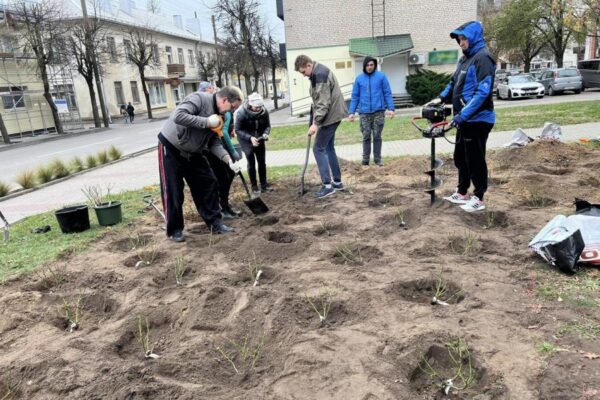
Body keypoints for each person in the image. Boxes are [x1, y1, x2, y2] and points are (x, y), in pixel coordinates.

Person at [157, 86, 243, 242]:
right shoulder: (199, 99)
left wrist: (228, 160)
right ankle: (174, 230)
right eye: (232, 108)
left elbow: (214, 143)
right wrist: (206, 121)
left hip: (194, 153)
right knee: (173, 190)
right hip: (171, 148)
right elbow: (179, 115)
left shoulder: (220, 115)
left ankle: (216, 223)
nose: (231, 112)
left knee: (208, 182)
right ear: (224, 100)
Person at [435, 20, 495, 213]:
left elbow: (482, 93)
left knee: (476, 159)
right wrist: (441, 98)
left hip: (478, 119)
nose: (461, 43)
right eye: (459, 39)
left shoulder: (483, 58)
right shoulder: (464, 59)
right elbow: (454, 83)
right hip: (463, 119)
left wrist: (462, 115)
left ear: (473, 38)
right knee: (460, 157)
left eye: (463, 39)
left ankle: (479, 197)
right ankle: (462, 192)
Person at [294, 54, 347, 199]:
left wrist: (316, 124)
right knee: (328, 148)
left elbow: (323, 103)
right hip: (332, 115)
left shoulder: (320, 75)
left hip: (330, 117)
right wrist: (312, 121)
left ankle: (327, 185)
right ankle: (337, 183)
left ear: (309, 65)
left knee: (318, 149)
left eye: (303, 72)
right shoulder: (316, 74)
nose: (303, 75)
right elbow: (316, 102)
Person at [348, 56, 395, 166]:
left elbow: (387, 93)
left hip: (378, 111)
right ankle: (365, 160)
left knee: (377, 136)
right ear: (364, 66)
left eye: (371, 65)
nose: (369, 67)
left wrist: (391, 108)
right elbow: (355, 96)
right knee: (366, 136)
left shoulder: (381, 77)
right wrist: (351, 112)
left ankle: (378, 159)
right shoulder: (359, 79)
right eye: (367, 65)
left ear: (374, 65)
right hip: (364, 113)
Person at [234, 92, 273, 194]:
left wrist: (265, 133)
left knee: (262, 162)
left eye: (260, 106)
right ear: (250, 105)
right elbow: (237, 130)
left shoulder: (264, 112)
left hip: (259, 138)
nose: (258, 109)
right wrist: (250, 138)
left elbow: (267, 126)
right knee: (251, 162)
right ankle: (254, 187)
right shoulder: (241, 113)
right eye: (256, 107)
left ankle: (264, 186)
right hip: (246, 140)